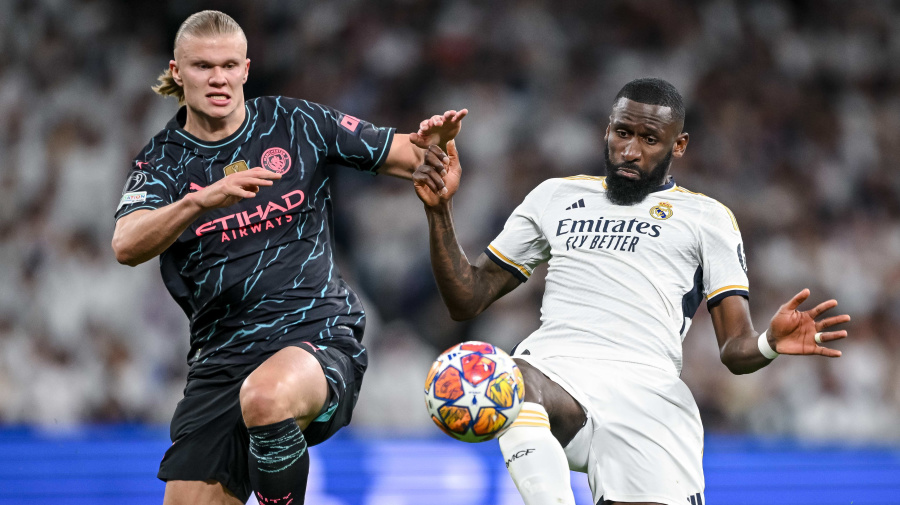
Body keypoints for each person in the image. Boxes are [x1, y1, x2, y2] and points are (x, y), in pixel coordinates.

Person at [412, 78, 850, 505]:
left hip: (648, 397)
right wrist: (439, 211)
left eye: (649, 139)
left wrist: (769, 343)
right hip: (557, 372)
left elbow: (735, 349)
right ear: (607, 130)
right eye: (622, 132)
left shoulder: (707, 218)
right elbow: (466, 299)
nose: (630, 150)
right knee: (507, 378)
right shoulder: (554, 197)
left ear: (678, 146)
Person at [111, 10, 464, 505]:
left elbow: (411, 156)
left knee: (266, 396)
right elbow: (126, 244)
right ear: (176, 71)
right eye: (203, 66)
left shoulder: (294, 122)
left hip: (315, 336)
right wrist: (198, 200)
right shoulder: (164, 159)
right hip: (220, 361)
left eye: (230, 65)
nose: (218, 78)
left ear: (247, 69)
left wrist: (436, 155)